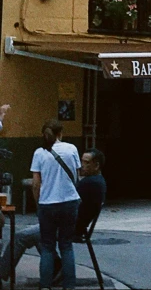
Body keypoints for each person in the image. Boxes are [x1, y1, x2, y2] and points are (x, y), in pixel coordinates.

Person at [0, 148, 107, 283]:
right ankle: (57, 268)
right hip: (73, 225)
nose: (81, 165)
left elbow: (67, 204)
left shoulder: (89, 183)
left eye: (86, 162)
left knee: (20, 237)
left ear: (96, 165)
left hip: (67, 227)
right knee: (37, 236)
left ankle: (1, 273)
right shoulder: (97, 181)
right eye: (81, 161)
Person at [31, 119, 81, 290]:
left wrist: (38, 204)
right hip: (69, 202)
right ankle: (69, 286)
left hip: (47, 204)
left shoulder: (39, 153)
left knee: (47, 247)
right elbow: (76, 175)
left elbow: (36, 183)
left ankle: (45, 285)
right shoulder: (72, 149)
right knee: (66, 245)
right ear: (61, 133)